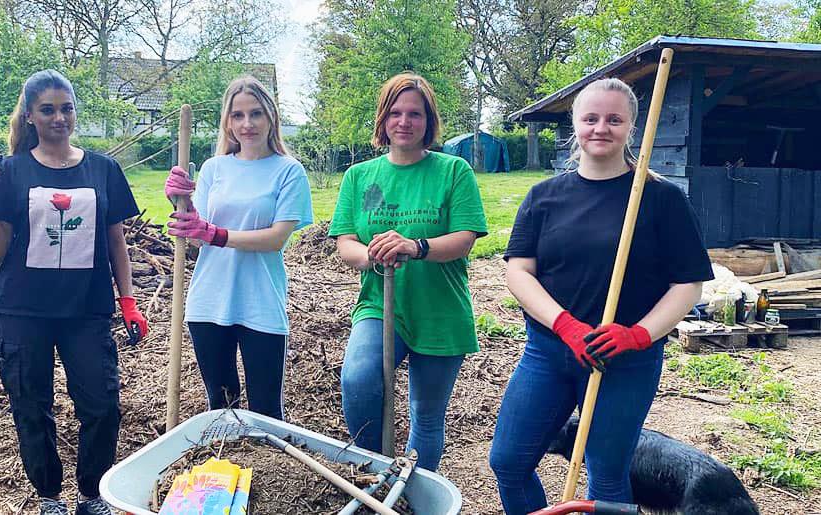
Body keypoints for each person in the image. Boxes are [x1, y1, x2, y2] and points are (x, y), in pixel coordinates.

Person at [488, 78, 713, 514]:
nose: (601, 128)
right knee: (509, 462)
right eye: (590, 118)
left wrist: (637, 335)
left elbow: (688, 285)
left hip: (624, 361)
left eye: (614, 119)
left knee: (607, 473)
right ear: (575, 123)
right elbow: (519, 273)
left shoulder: (660, 198)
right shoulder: (544, 196)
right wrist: (565, 325)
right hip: (549, 352)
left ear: (631, 126)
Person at [0, 69, 148, 515]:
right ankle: (49, 496)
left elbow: (116, 241)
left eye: (66, 108)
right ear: (30, 116)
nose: (59, 118)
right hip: (22, 310)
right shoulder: (11, 171)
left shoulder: (103, 169)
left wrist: (128, 300)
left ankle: (92, 495)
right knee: (31, 407)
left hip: (86, 310)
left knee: (102, 404)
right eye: (47, 110)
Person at [328, 72, 487, 472]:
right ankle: (375, 472)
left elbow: (465, 239)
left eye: (415, 113)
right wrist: (373, 254)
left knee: (426, 414)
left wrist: (415, 247)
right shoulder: (359, 176)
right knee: (358, 380)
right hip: (381, 305)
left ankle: (416, 491)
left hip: (440, 308)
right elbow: (345, 243)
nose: (404, 121)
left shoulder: (454, 171)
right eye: (395, 113)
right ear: (383, 119)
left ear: (428, 121)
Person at [163, 76, 313, 421]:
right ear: (227, 122)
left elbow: (276, 238)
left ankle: (267, 459)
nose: (247, 124)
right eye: (238, 115)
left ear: (271, 117)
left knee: (266, 412)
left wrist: (215, 234)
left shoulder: (288, 171)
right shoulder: (215, 169)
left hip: (261, 302)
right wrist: (180, 201)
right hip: (208, 302)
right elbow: (197, 235)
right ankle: (226, 458)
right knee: (221, 407)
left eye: (256, 113)